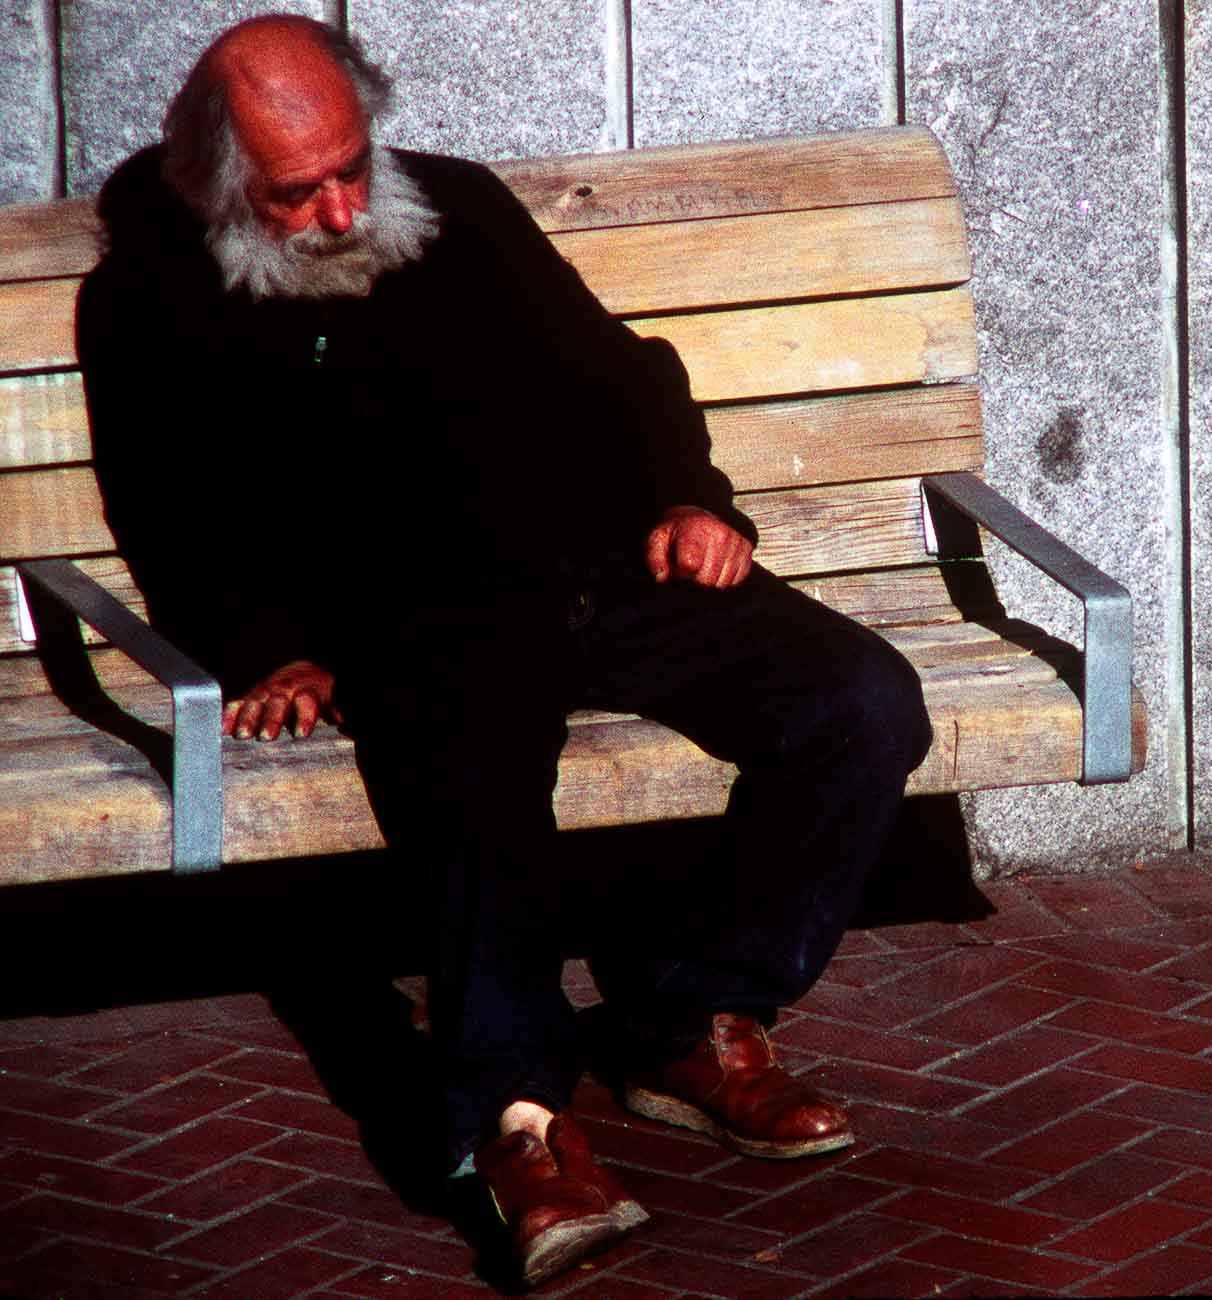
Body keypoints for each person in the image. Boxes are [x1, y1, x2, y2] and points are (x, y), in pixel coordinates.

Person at [77, 14, 932, 1286]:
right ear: (221, 182)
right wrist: (277, 646)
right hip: (425, 622)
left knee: (865, 701)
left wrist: (694, 499)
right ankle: (519, 1125)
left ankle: (688, 1018)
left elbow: (627, 371)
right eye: (296, 192)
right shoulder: (153, 296)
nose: (339, 210)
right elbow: (172, 516)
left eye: (352, 167)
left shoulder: (460, 210)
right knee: (473, 786)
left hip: (609, 569)